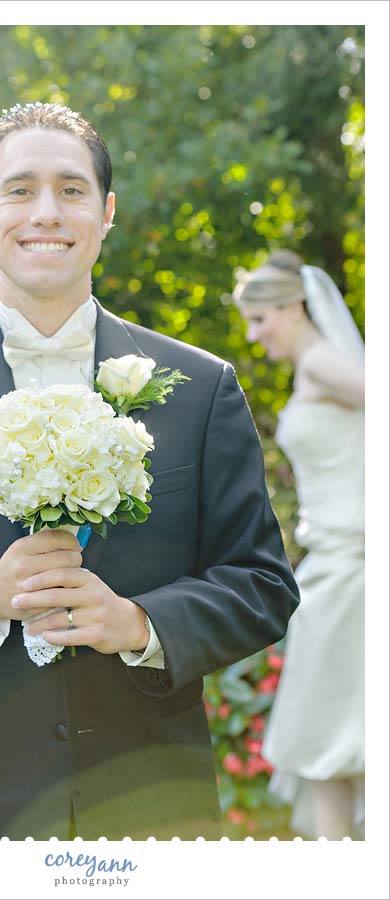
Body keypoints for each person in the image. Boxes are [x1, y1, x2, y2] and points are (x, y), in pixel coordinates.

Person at [0, 103, 299, 841]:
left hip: (154, 807)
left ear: (105, 213)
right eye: (20, 189)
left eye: (72, 189)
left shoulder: (200, 388)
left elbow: (262, 583)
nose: (47, 211)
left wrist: (140, 624)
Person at [234, 249, 365, 840]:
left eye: (260, 320)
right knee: (330, 732)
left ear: (292, 306)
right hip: (332, 566)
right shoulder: (314, 368)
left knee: (332, 733)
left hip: (353, 569)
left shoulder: (320, 366)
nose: (254, 336)